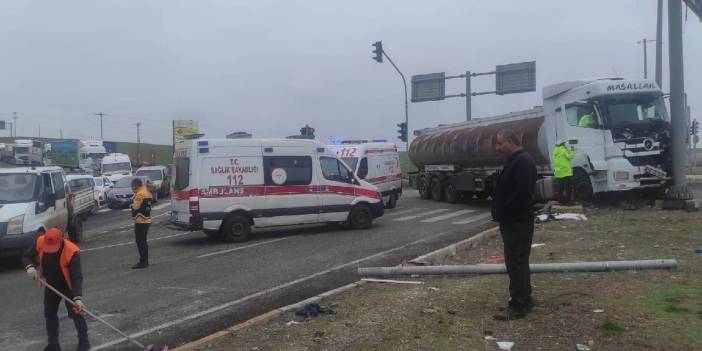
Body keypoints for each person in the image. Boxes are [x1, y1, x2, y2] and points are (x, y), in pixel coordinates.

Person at [491, 129, 537, 321]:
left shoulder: (522, 162)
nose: (498, 148)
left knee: (515, 262)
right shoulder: (517, 161)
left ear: (510, 142)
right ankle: (525, 299)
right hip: (516, 221)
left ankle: (518, 305)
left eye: (500, 144)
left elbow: (521, 194)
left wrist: (503, 212)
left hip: (516, 222)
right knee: (519, 261)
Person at [22, 228, 90, 351]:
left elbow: (76, 276)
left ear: (61, 239)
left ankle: (84, 342)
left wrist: (77, 297)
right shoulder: (41, 241)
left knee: (76, 313)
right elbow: (27, 256)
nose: (50, 248)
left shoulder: (71, 251)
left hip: (67, 285)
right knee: (49, 313)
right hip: (51, 284)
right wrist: (30, 267)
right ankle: (53, 344)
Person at [131, 177, 153, 269]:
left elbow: (136, 207)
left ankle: (143, 262)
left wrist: (131, 205)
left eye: (132, 187)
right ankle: (145, 260)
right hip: (147, 219)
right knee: (143, 241)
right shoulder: (147, 192)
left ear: (136, 185)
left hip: (140, 221)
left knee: (140, 242)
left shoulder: (139, 194)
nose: (132, 189)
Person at [552, 139, 577, 205]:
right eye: (564, 143)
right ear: (562, 144)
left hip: (558, 173)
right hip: (566, 172)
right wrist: (573, 150)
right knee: (568, 188)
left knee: (560, 189)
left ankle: (561, 201)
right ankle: (569, 202)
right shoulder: (563, 150)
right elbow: (570, 156)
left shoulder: (555, 151)